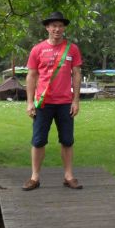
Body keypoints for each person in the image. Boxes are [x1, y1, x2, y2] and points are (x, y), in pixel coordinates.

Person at [23, 11, 84, 191]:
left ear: (64, 28)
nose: (57, 29)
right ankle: (34, 177)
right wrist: (29, 102)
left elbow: (77, 74)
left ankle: (69, 176)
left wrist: (76, 101)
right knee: (38, 141)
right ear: (47, 28)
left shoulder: (72, 49)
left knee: (67, 140)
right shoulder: (38, 49)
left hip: (65, 103)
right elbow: (31, 76)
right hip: (43, 103)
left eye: (60, 26)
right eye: (53, 26)